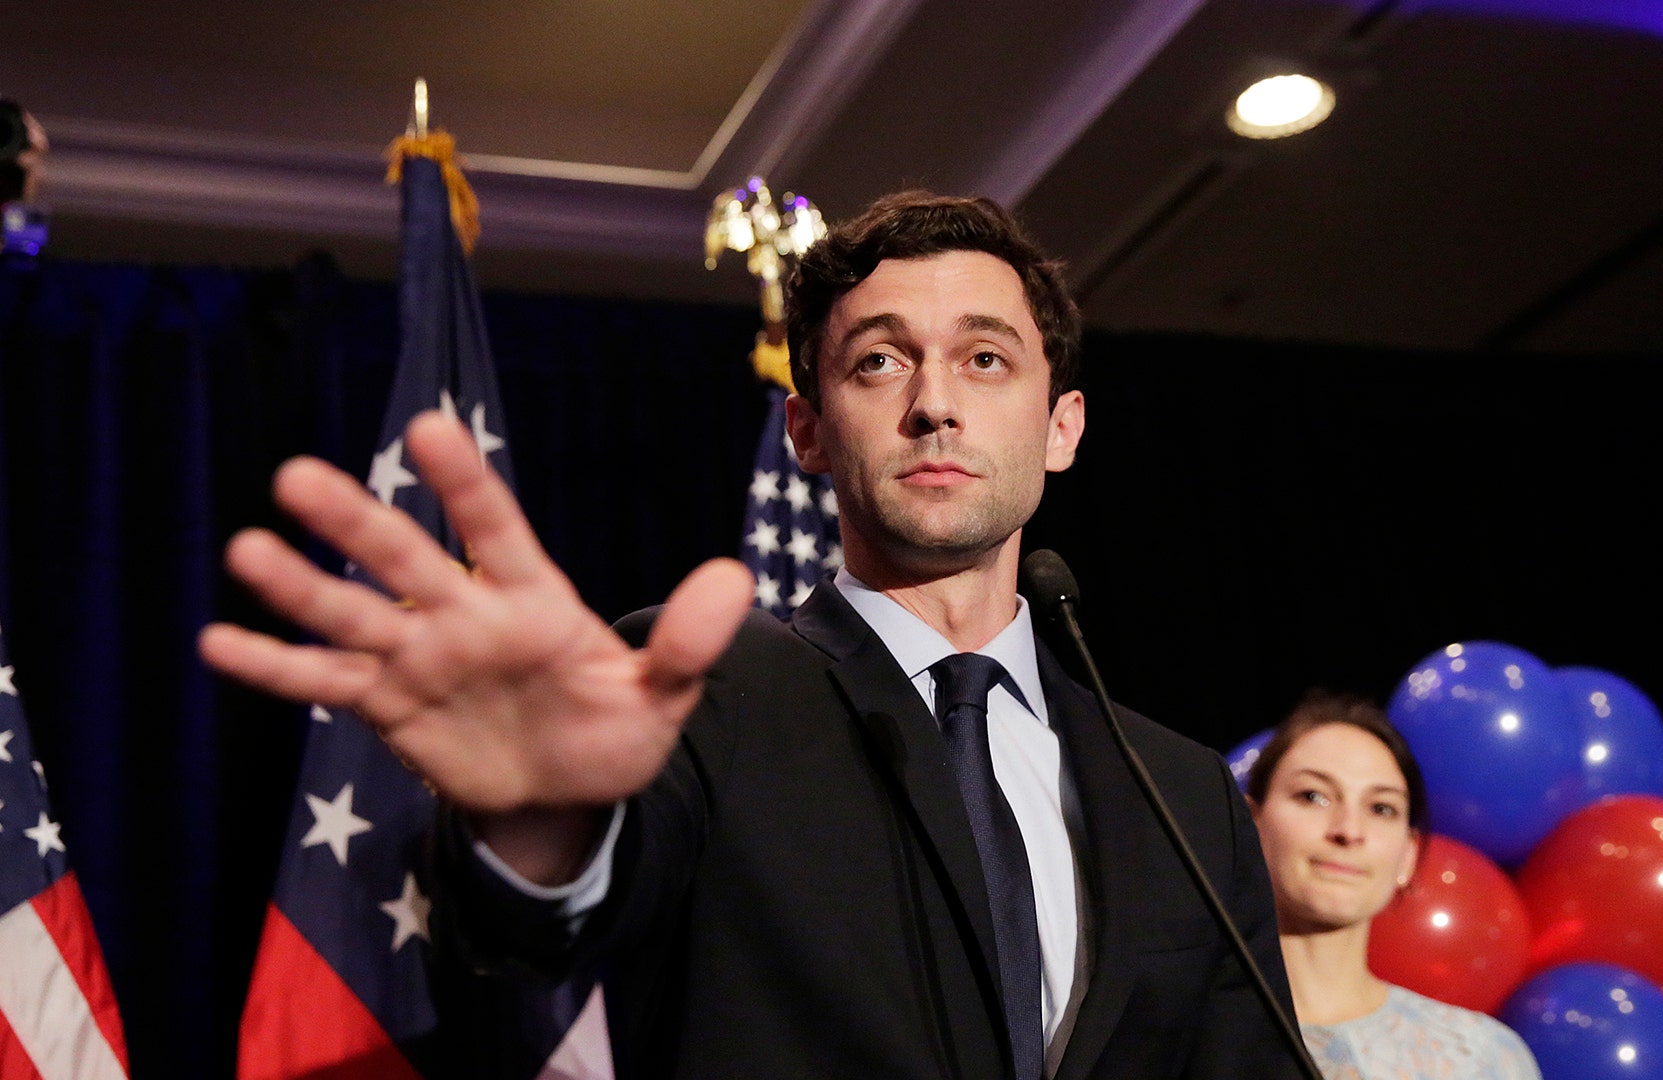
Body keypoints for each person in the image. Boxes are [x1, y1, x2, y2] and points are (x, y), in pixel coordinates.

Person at [202, 191, 1310, 1079]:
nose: (934, 403)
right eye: (880, 360)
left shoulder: (1182, 791)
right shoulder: (706, 694)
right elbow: (559, 922)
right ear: (808, 430)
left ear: (1060, 425)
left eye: (985, 358)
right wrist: (542, 827)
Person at [1244, 692, 1541, 1080]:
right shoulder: (1174, 1033)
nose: (1349, 831)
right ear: (1251, 826)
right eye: (1313, 796)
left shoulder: (1484, 1059)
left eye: (1381, 808)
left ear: (1407, 856)